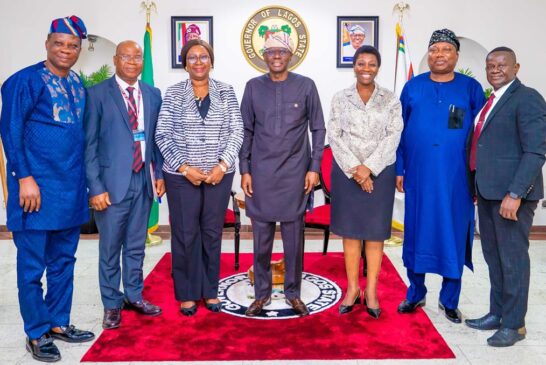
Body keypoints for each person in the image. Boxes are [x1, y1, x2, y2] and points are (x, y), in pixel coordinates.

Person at [0, 15, 94, 362]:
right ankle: (36, 332)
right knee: (31, 266)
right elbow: (10, 131)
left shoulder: (77, 84)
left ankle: (58, 323)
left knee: (63, 263)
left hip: (69, 190)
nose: (66, 50)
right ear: (47, 44)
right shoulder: (23, 81)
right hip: (34, 191)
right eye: (59, 43)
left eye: (72, 45)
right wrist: (24, 178)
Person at [395, 29, 485, 323]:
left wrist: (477, 176)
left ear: (456, 55)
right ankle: (416, 292)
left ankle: (450, 300)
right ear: (428, 54)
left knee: (453, 233)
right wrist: (399, 168)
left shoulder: (470, 89)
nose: (440, 55)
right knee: (417, 231)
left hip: (456, 178)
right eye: (434, 50)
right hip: (418, 176)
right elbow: (398, 131)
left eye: (446, 49)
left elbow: (481, 135)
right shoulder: (413, 87)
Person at [240, 30, 326, 317]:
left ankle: (293, 293)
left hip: (294, 174)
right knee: (261, 240)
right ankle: (262, 294)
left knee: (293, 240)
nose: (276, 56)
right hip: (261, 175)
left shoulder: (307, 86)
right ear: (264, 56)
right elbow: (246, 132)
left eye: (282, 52)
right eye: (271, 52)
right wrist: (245, 170)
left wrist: (314, 168)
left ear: (291, 56)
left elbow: (318, 128)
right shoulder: (253, 87)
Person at [155, 39, 244, 316]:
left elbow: (237, 131)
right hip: (181, 177)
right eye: (192, 57)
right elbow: (162, 134)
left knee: (211, 233)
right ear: (184, 64)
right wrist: (184, 168)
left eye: (203, 56)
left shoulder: (226, 92)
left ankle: (210, 290)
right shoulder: (172, 93)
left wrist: (223, 165)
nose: (198, 62)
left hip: (219, 175)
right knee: (184, 234)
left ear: (211, 61)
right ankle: (188, 292)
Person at [465, 47, 546, 347]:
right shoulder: (492, 100)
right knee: (494, 258)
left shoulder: (527, 98)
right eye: (490, 65)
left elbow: (536, 150)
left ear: (516, 67)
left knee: (512, 260)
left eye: (502, 64)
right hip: (487, 193)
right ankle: (497, 314)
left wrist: (515, 194)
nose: (495, 69)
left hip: (511, 197)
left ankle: (515, 325)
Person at [84, 40, 165, 329]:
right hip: (110, 185)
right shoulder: (96, 94)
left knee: (135, 246)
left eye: (137, 57)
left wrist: (159, 176)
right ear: (117, 60)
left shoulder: (152, 94)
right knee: (110, 248)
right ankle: (111, 303)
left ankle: (134, 295)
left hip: (143, 180)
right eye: (126, 57)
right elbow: (89, 145)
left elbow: (155, 140)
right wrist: (95, 187)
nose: (132, 62)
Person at [328, 45, 403, 318]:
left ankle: (370, 291)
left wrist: (369, 168)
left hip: (380, 173)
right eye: (361, 63)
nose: (366, 69)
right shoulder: (340, 98)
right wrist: (356, 169)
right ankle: (352, 290)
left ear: (378, 68)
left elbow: (393, 135)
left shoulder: (391, 99)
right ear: (354, 66)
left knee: (374, 234)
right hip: (347, 173)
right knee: (350, 234)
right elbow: (334, 136)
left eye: (372, 64)